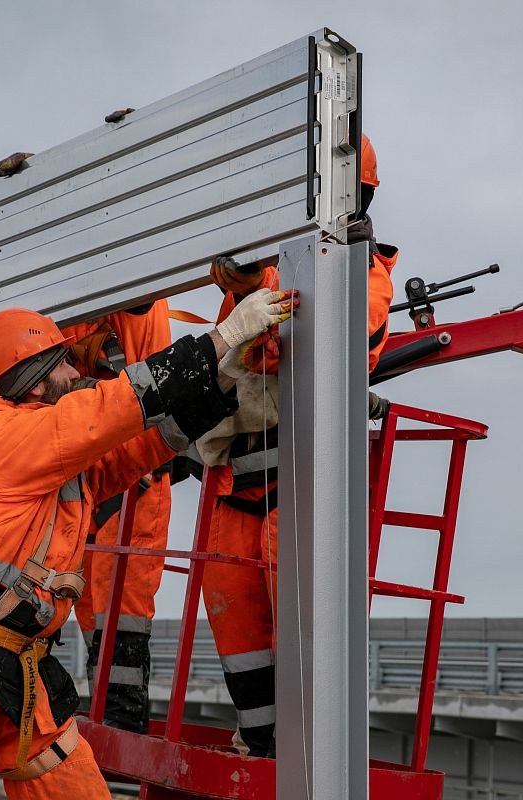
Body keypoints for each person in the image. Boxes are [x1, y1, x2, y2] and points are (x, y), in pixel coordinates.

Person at [0, 288, 294, 799]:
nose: (76, 374)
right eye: (62, 365)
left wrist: (225, 374)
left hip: (16, 671)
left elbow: (142, 449)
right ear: (29, 378)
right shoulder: (6, 436)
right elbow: (112, 407)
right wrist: (220, 337)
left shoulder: (49, 453)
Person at [193, 132, 397, 757]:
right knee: (241, 641)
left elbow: (330, 343)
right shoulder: (260, 275)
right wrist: (247, 287)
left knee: (308, 642)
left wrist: (256, 295)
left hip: (300, 491)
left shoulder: (364, 274)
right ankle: (260, 745)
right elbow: (229, 353)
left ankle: (312, 760)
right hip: (238, 494)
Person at [64, 301, 178, 733]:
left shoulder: (129, 295)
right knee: (92, 609)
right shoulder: (72, 306)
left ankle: (121, 716)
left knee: (120, 607)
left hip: (136, 473)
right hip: (92, 470)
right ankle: (106, 713)